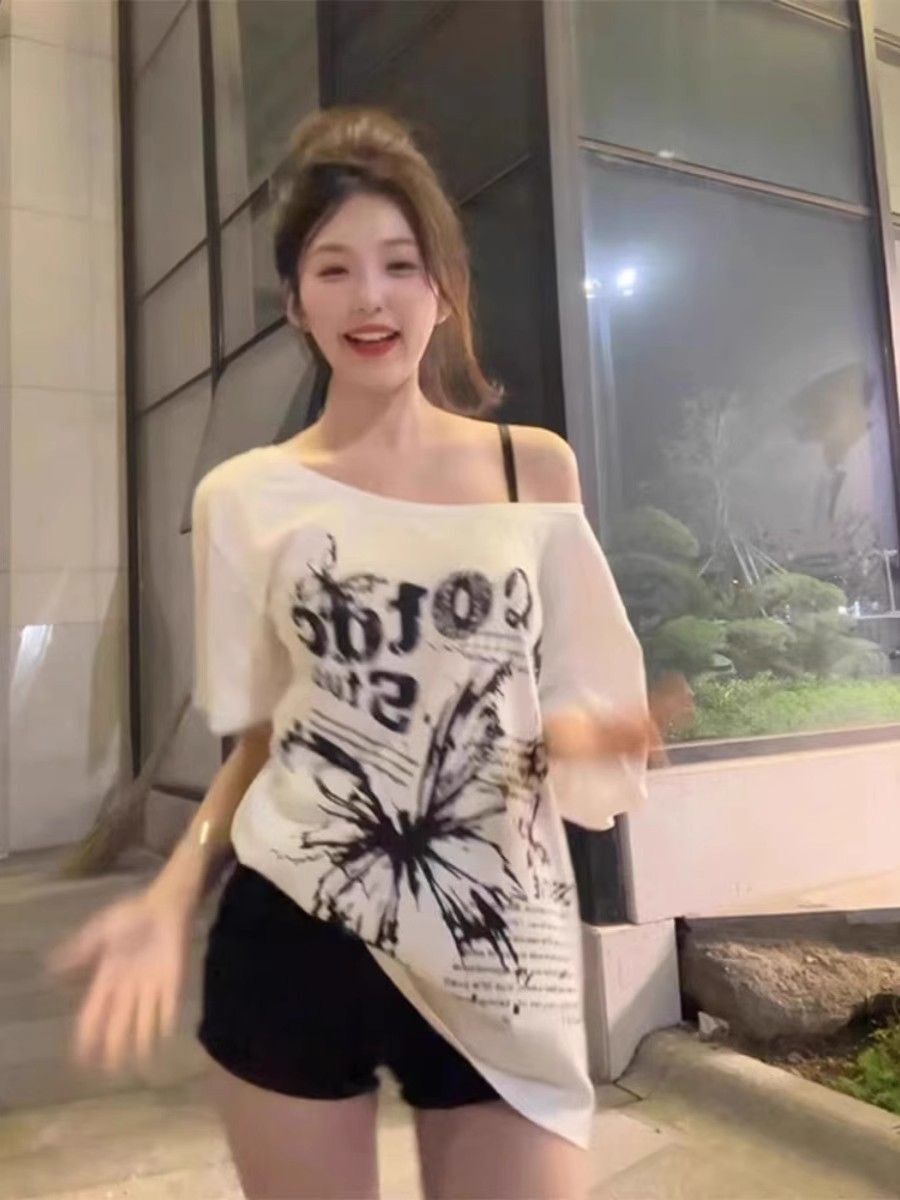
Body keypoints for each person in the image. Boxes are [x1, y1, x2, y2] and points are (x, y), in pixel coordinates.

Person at [50, 107, 682, 1200]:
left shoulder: (532, 470)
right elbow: (261, 739)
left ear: (443, 288)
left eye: (399, 264)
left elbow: (573, 698)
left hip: (498, 939)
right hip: (297, 928)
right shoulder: (244, 498)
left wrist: (583, 735)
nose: (370, 297)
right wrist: (171, 894)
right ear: (296, 301)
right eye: (333, 269)